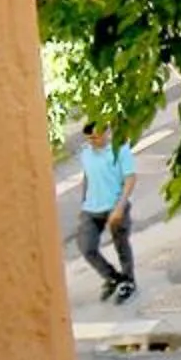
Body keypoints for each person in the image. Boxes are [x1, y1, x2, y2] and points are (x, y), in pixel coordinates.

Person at [73, 120, 139, 305]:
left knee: (121, 244)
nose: (92, 142)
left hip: (115, 205)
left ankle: (128, 281)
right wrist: (84, 202)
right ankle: (112, 277)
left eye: (95, 137)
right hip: (92, 208)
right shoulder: (86, 153)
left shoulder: (120, 150)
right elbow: (87, 177)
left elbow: (130, 179)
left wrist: (120, 207)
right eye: (89, 139)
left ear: (106, 133)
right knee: (86, 247)